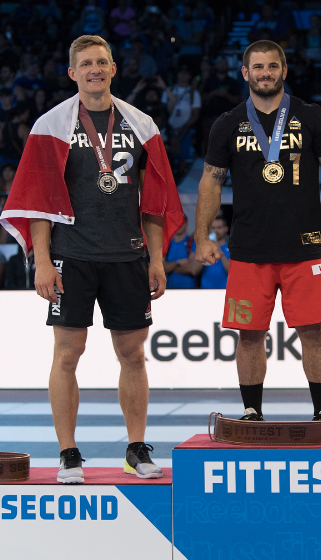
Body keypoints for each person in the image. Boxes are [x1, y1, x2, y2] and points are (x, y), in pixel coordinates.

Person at [0, 35, 184, 483]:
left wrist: (157, 259)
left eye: (102, 62)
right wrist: (42, 261)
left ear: (114, 68)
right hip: (71, 255)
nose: (94, 70)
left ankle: (136, 449)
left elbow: (155, 201)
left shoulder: (140, 123)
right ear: (72, 72)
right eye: (85, 64)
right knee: (68, 354)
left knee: (133, 355)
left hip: (128, 256)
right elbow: (39, 202)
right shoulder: (51, 124)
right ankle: (68, 453)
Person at [194, 40, 321, 421]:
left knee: (312, 332)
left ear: (284, 71)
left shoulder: (312, 116)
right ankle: (252, 412)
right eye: (258, 67)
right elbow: (211, 182)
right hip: (249, 250)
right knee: (249, 335)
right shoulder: (228, 122)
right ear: (245, 73)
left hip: (305, 247)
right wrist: (202, 235)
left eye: (272, 66)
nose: (265, 73)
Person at [164, 214, 201, 288]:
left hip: (188, 291)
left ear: (186, 224)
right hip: (169, 290)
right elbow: (162, 269)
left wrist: (170, 267)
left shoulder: (193, 243)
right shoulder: (167, 244)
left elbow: (192, 269)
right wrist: (177, 262)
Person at [199, 216, 230, 289]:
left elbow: (231, 270)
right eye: (213, 228)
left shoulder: (231, 247)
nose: (216, 231)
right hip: (206, 291)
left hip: (225, 291)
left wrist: (218, 249)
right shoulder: (204, 247)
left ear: (225, 229)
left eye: (219, 227)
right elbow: (195, 270)